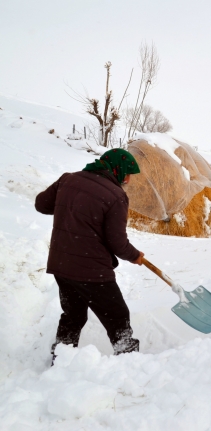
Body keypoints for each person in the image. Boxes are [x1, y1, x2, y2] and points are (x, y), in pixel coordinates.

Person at [35, 148, 145, 364]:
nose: (129, 180)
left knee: (73, 315)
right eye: (128, 173)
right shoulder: (115, 196)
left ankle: (61, 358)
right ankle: (129, 361)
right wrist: (135, 256)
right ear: (118, 169)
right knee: (117, 315)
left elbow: (41, 204)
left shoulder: (68, 180)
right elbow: (117, 242)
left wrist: (69, 205)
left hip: (62, 266)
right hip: (91, 271)